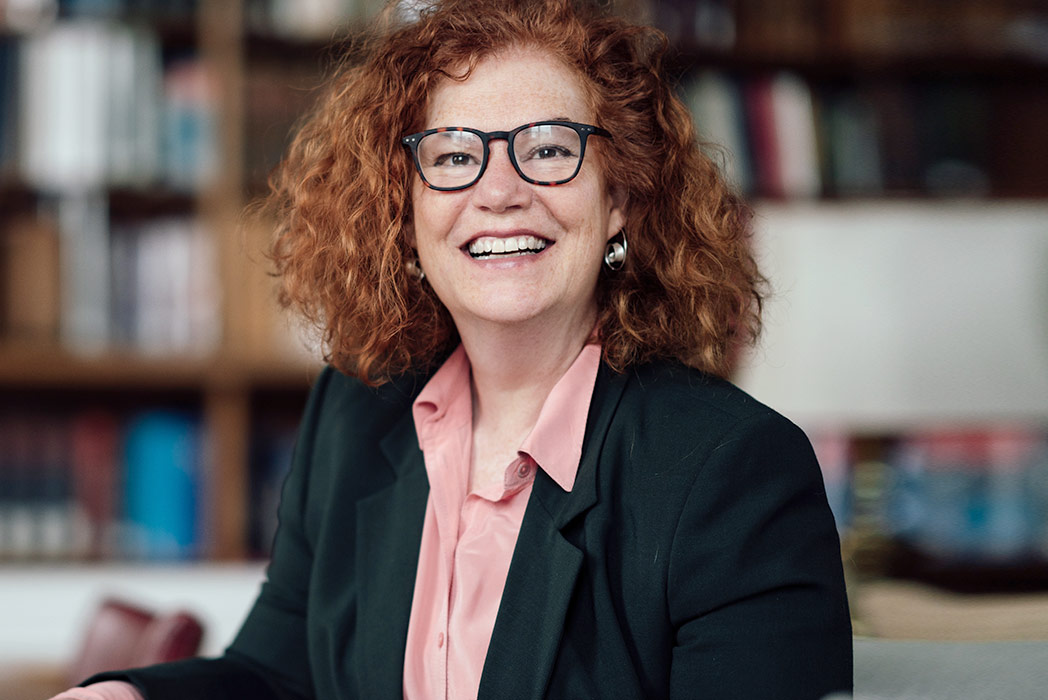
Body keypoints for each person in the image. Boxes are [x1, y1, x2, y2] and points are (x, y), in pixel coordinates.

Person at [52, 0, 852, 698]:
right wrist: (130, 696)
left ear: (622, 198)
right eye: (454, 156)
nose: (498, 192)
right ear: (404, 210)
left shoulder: (736, 473)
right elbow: (281, 674)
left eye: (547, 148)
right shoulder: (356, 409)